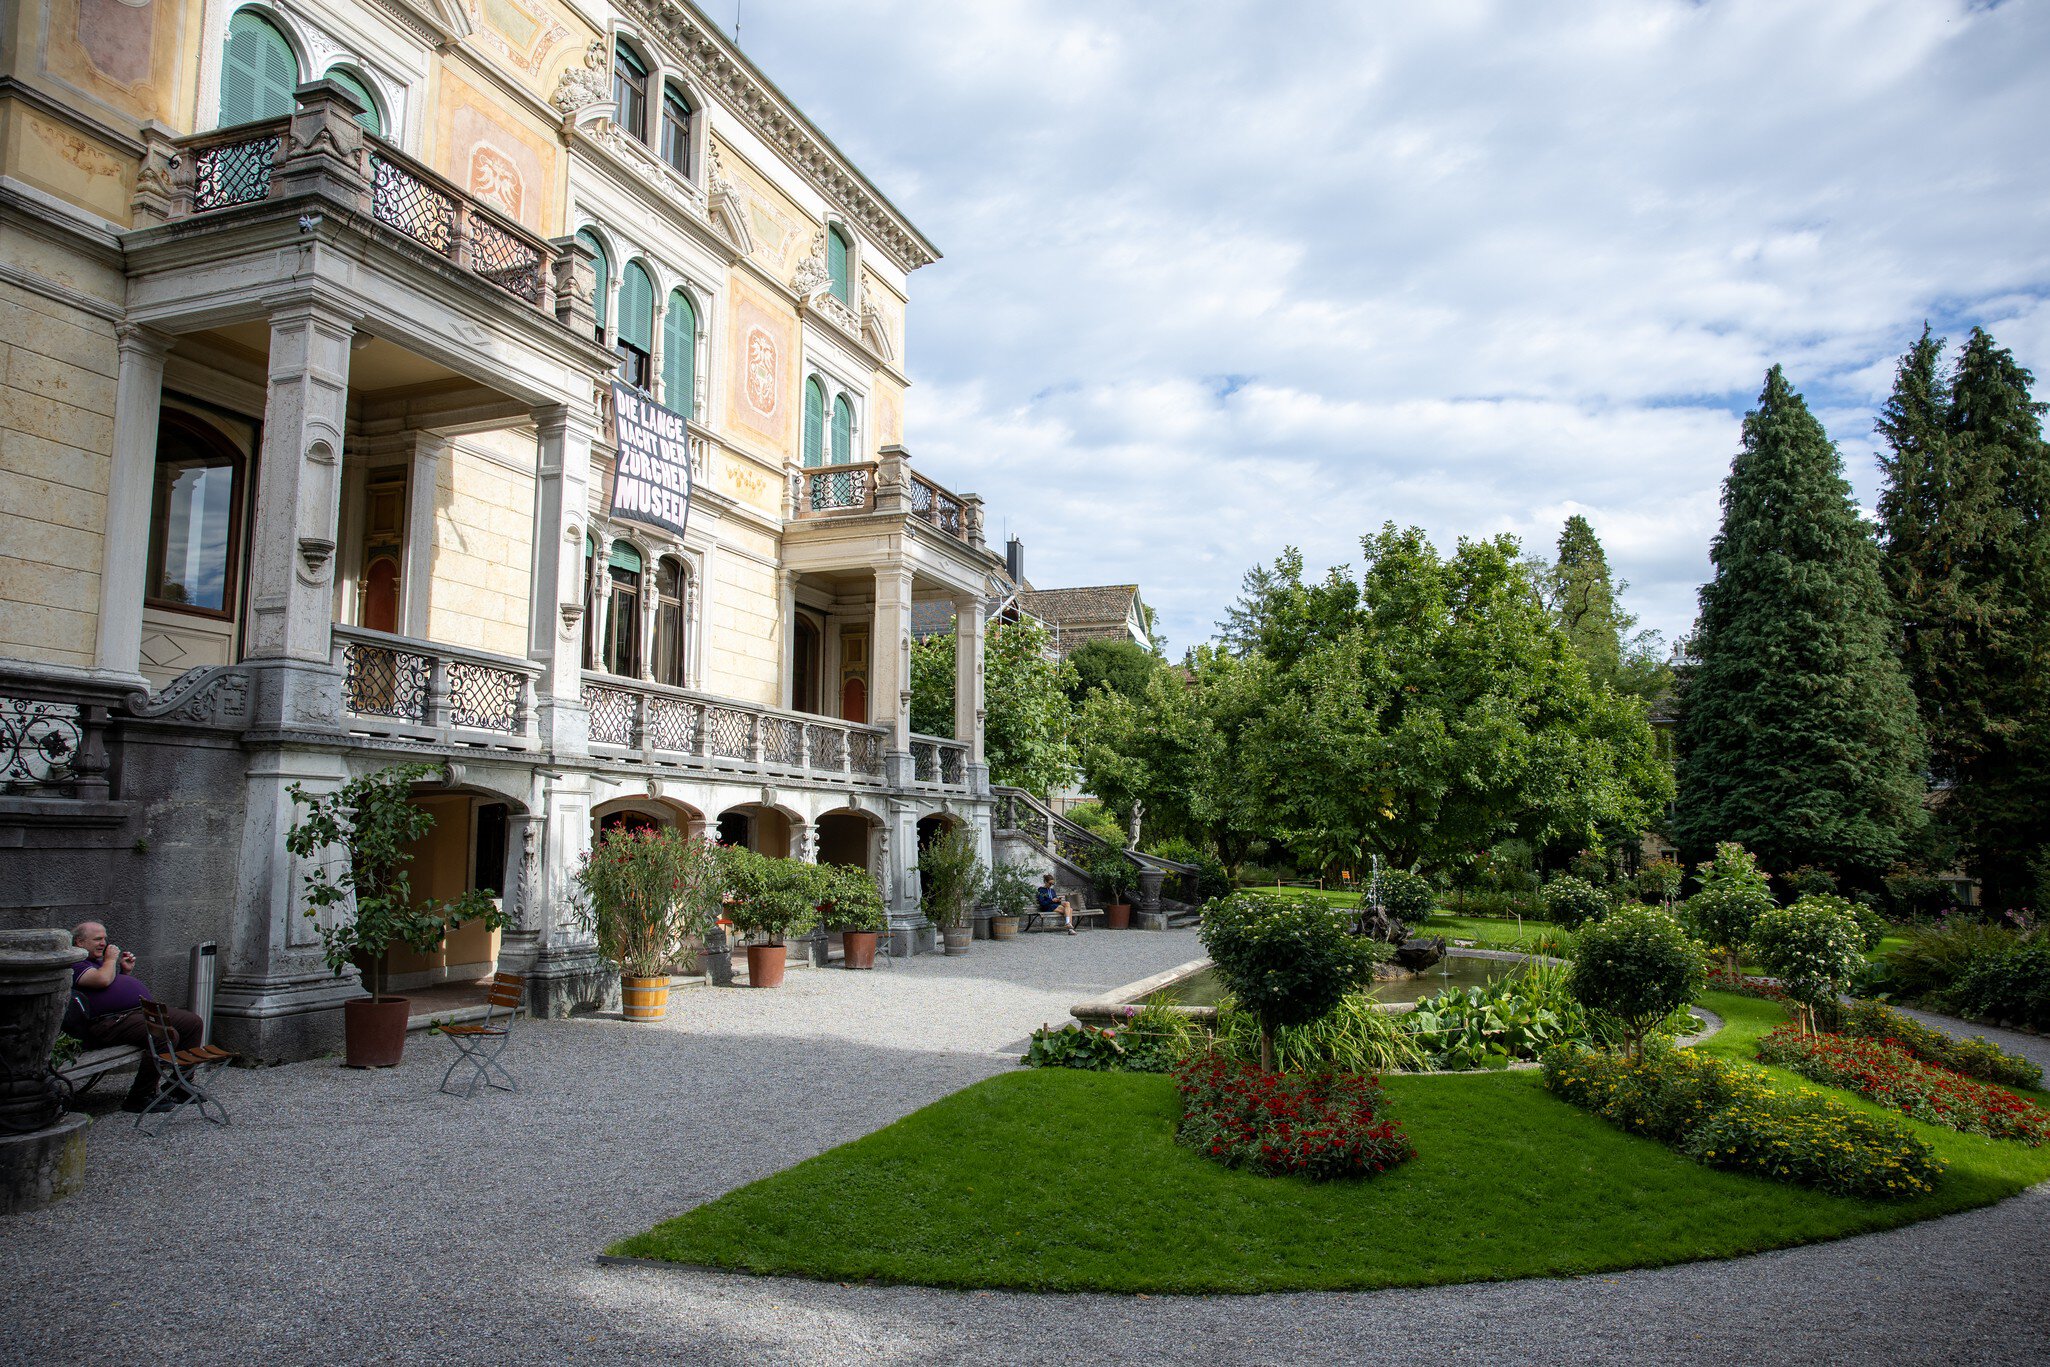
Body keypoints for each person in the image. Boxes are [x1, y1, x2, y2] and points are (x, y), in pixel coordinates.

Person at [69, 921, 205, 1112]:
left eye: (104, 938)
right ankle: (140, 1096)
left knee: (192, 1023)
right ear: (79, 942)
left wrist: (125, 971)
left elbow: (110, 985)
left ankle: (179, 1085)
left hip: (134, 1013)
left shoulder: (97, 962)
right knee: (163, 1034)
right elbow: (101, 980)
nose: (104, 943)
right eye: (98, 939)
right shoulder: (74, 964)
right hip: (109, 1022)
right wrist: (110, 960)